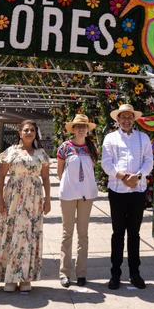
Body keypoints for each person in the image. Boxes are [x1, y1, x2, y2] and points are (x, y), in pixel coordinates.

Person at [0, 119, 50, 292]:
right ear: (19, 133)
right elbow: (1, 176)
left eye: (32, 130)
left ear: (35, 133)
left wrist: (48, 199)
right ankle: (9, 277)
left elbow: (46, 178)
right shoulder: (10, 152)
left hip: (33, 199)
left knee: (29, 234)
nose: (29, 133)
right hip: (12, 197)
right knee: (10, 232)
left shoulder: (41, 153)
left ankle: (25, 277)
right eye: (26, 130)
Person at [100, 102, 153, 290]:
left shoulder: (143, 138)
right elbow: (106, 163)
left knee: (134, 233)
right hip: (118, 191)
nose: (127, 120)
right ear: (117, 119)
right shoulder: (110, 138)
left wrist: (137, 177)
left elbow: (149, 161)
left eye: (130, 116)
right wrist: (123, 177)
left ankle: (135, 273)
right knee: (117, 233)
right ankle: (115, 274)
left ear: (134, 119)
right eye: (123, 116)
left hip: (137, 191)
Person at [56, 112, 98, 288]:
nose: (81, 129)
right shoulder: (65, 147)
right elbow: (60, 171)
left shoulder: (92, 147)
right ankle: (64, 273)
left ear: (87, 129)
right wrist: (70, 185)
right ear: (73, 129)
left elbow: (91, 171)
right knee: (67, 233)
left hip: (86, 195)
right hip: (68, 195)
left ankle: (81, 273)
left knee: (83, 234)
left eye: (84, 126)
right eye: (78, 126)